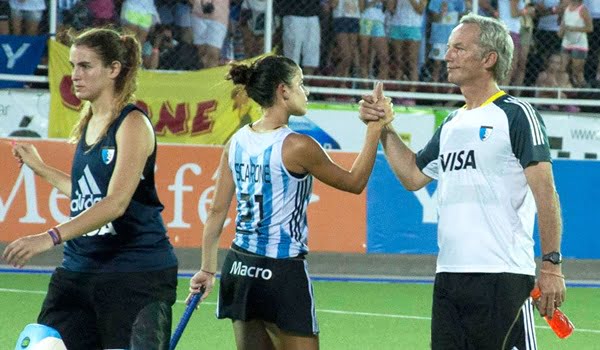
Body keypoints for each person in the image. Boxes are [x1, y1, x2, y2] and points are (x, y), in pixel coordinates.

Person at [359, 13, 566, 349]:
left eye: (458, 48)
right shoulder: (453, 122)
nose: (447, 55)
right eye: (448, 47)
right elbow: (413, 175)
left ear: (488, 59)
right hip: (449, 276)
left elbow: (546, 194)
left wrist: (552, 266)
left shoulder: (515, 114)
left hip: (503, 276)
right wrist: (384, 128)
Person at [187, 56, 393, 350]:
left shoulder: (236, 141)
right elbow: (354, 182)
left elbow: (216, 211)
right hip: (281, 274)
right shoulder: (297, 145)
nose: (305, 92)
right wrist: (374, 128)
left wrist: (207, 269)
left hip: (240, 268)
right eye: (301, 84)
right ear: (283, 90)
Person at [2, 28, 178, 349]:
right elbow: (88, 196)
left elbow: (115, 203)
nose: (75, 76)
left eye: (85, 66)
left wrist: (49, 236)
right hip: (79, 271)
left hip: (134, 274)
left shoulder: (133, 124)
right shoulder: (89, 122)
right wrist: (39, 167)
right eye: (73, 65)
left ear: (113, 69)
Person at [559, 0, 593, 88]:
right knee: (563, 68)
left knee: (577, 71)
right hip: (567, 41)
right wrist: (561, 31)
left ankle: (584, 92)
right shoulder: (566, 9)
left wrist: (574, 28)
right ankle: (564, 89)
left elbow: (590, 28)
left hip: (579, 42)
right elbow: (563, 23)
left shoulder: (582, 9)